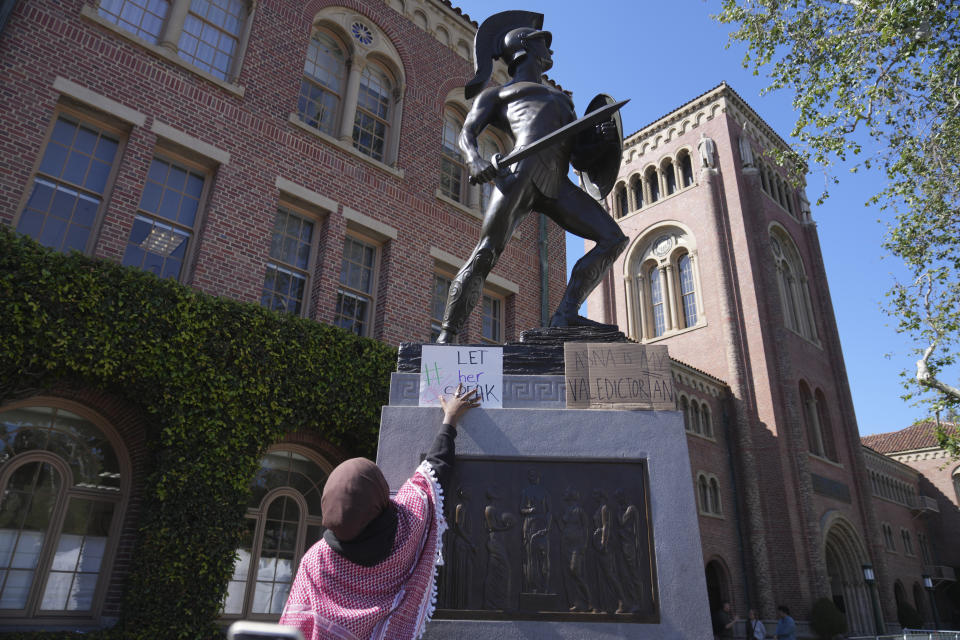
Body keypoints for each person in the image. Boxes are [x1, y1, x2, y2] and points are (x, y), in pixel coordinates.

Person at [436, 11, 628, 343]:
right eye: (544, 43)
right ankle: (447, 335)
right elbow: (467, 133)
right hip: (518, 174)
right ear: (524, 48)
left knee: (613, 238)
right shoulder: (497, 95)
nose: (550, 50)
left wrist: (601, 142)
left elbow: (578, 156)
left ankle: (565, 315)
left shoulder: (563, 101)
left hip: (557, 181)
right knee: (486, 253)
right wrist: (476, 160)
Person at [279, 383, 480, 640]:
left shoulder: (316, 561)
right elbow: (433, 473)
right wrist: (450, 419)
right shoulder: (407, 526)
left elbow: (294, 624)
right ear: (378, 494)